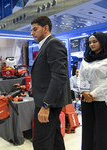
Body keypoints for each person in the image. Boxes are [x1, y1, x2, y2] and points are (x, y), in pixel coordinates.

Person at [30, 16, 71, 150]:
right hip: (46, 101)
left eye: (35, 29)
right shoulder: (45, 46)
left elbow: (59, 76)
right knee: (55, 140)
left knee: (41, 143)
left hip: (48, 104)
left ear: (46, 28)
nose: (32, 33)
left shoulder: (53, 43)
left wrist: (46, 105)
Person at [77, 32, 107, 150]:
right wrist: (83, 92)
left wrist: (93, 94)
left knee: (101, 131)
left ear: (102, 41)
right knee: (87, 130)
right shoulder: (86, 60)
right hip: (86, 100)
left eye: (95, 41)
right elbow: (80, 77)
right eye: (90, 42)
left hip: (101, 99)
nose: (92, 44)